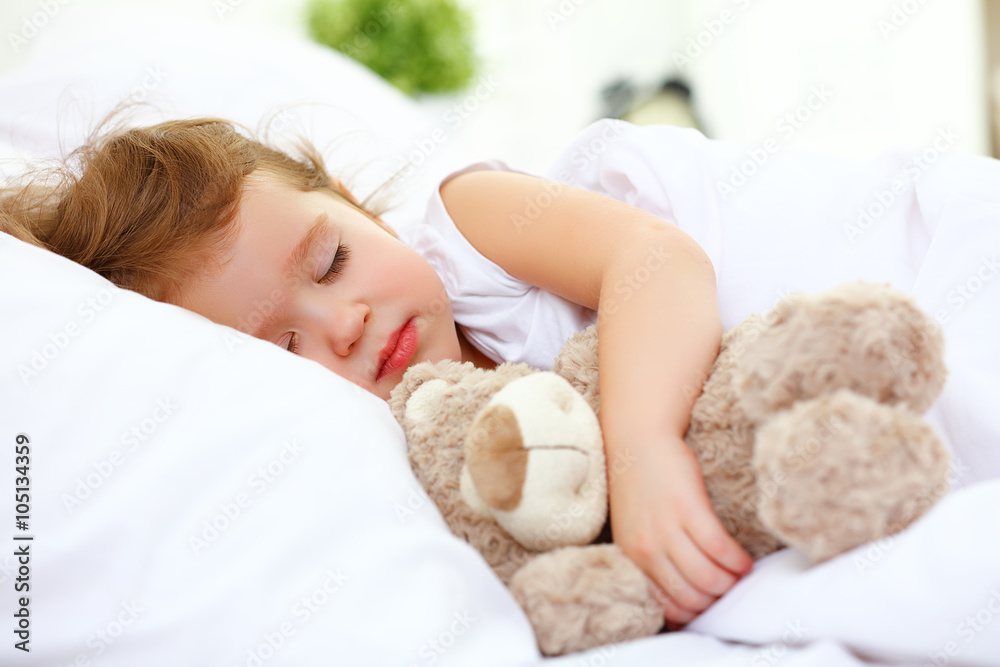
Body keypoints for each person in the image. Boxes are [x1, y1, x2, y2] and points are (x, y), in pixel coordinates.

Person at [0, 117, 753, 627]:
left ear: (364, 211)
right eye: (288, 348)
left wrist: (645, 444)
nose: (346, 321)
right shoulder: (377, 470)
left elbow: (653, 259)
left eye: (334, 261)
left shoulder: (473, 234)